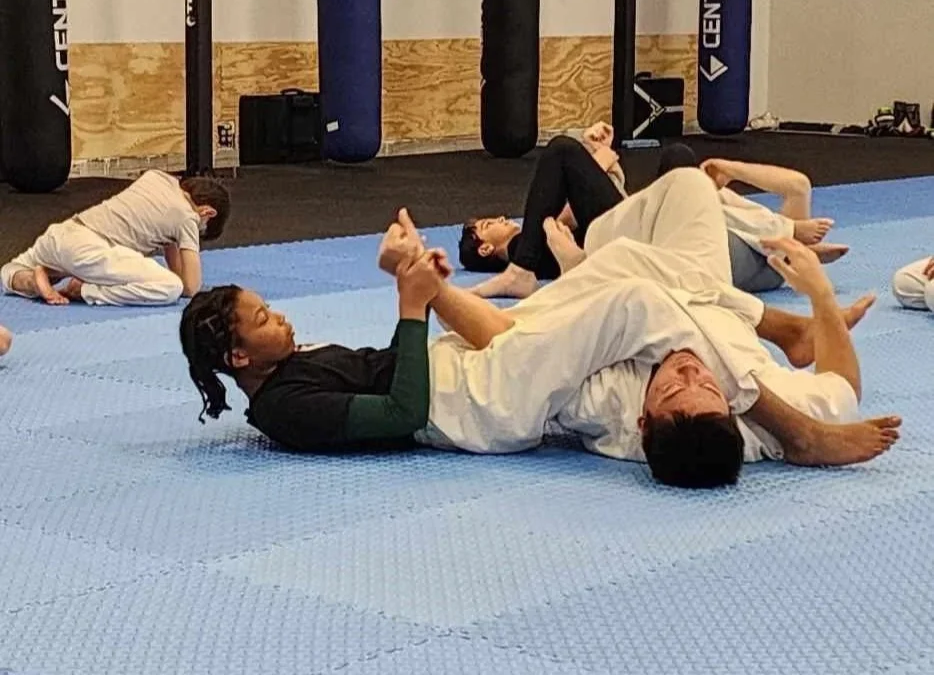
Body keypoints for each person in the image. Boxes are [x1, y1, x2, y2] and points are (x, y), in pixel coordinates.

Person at [180, 181, 898, 487]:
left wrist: (420, 284)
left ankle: (787, 326)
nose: (285, 319)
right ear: (239, 356)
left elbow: (407, 364)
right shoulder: (284, 410)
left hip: (468, 368)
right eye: (266, 319)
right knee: (637, 303)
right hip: (480, 408)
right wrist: (411, 304)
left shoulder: (283, 374)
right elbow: (402, 412)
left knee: (626, 262)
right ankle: (794, 418)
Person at [460, 130, 847, 299]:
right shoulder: (520, 242)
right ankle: (787, 232)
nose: (500, 219)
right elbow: (566, 219)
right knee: (562, 150)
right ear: (484, 250)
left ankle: (787, 235)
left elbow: (799, 186)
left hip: (647, 241)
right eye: (488, 225)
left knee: (685, 168)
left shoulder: (533, 227)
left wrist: (604, 169)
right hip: (629, 245)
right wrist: (597, 161)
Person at [1, 169, 230, 307]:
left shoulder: (158, 178)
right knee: (170, 287)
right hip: (88, 251)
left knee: (9, 271)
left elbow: (170, 242)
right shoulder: (188, 216)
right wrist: (192, 232)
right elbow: (190, 287)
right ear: (208, 212)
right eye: (202, 229)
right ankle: (84, 290)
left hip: (62, 233)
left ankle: (31, 280)